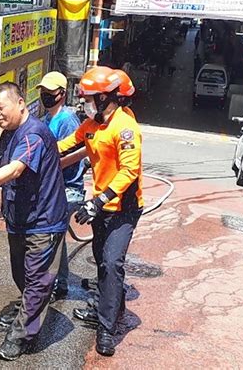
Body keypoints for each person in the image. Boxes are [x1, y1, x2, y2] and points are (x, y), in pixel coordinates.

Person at [0, 82, 68, 361]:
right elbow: (2, 169)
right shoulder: (8, 134)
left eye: (0, 107)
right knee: (21, 274)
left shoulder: (34, 134)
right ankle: (30, 310)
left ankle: (20, 336)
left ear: (20, 103)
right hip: (18, 218)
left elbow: (16, 169)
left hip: (43, 221)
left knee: (37, 280)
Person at [58, 67, 143, 357]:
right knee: (101, 260)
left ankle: (106, 329)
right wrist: (36, 150)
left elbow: (130, 170)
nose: (85, 103)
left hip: (124, 206)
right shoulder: (92, 124)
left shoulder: (125, 126)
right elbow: (67, 144)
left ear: (106, 97)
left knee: (111, 261)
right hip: (100, 206)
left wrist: (100, 199)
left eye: (90, 98)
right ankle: (112, 309)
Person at [37, 71, 85, 301]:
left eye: (50, 92)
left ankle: (51, 283)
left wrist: (48, 165)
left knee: (49, 235)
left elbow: (74, 155)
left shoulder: (66, 120)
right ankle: (61, 282)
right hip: (53, 188)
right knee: (56, 237)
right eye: (43, 92)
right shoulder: (47, 119)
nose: (45, 96)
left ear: (62, 94)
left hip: (68, 189)